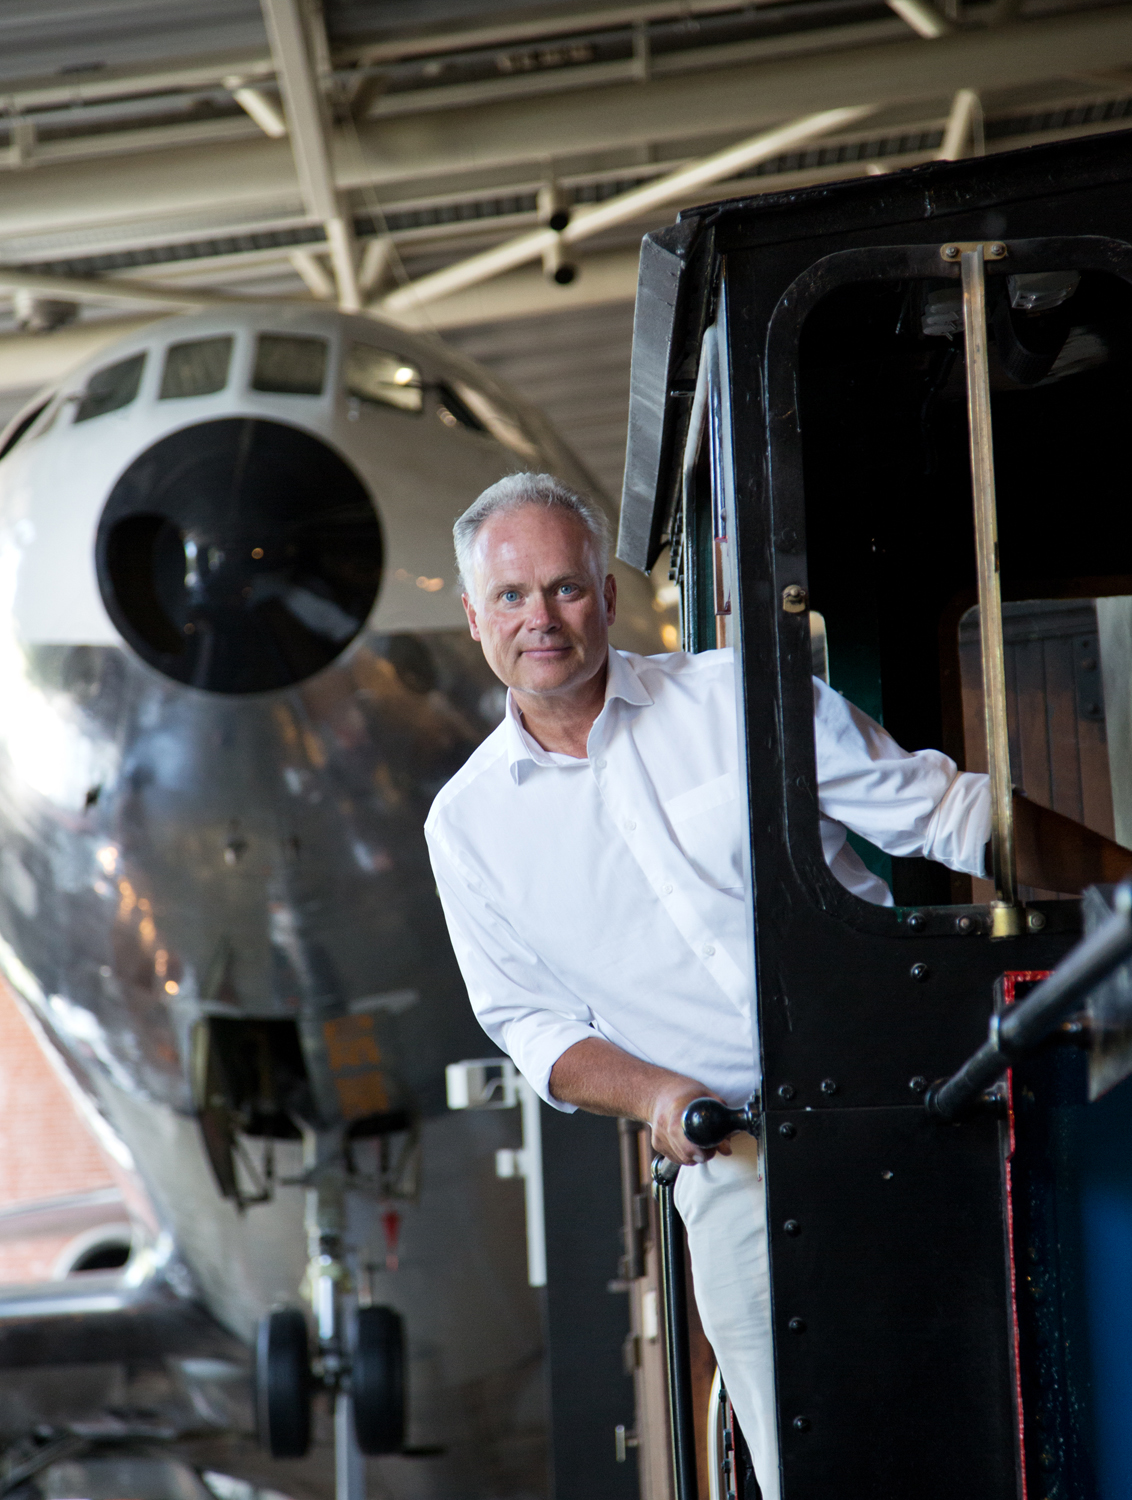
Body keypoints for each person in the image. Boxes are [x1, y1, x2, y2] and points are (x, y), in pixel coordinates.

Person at [424, 471, 1132, 1499]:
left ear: (608, 597)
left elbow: (946, 813)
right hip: (737, 1162)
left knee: (1020, 1407)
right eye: (512, 597)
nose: (542, 619)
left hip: (924, 1102)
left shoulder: (731, 699)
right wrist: (659, 1097)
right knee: (822, 1464)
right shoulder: (467, 828)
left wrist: (1125, 893)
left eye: (566, 589)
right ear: (473, 616)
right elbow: (528, 1025)